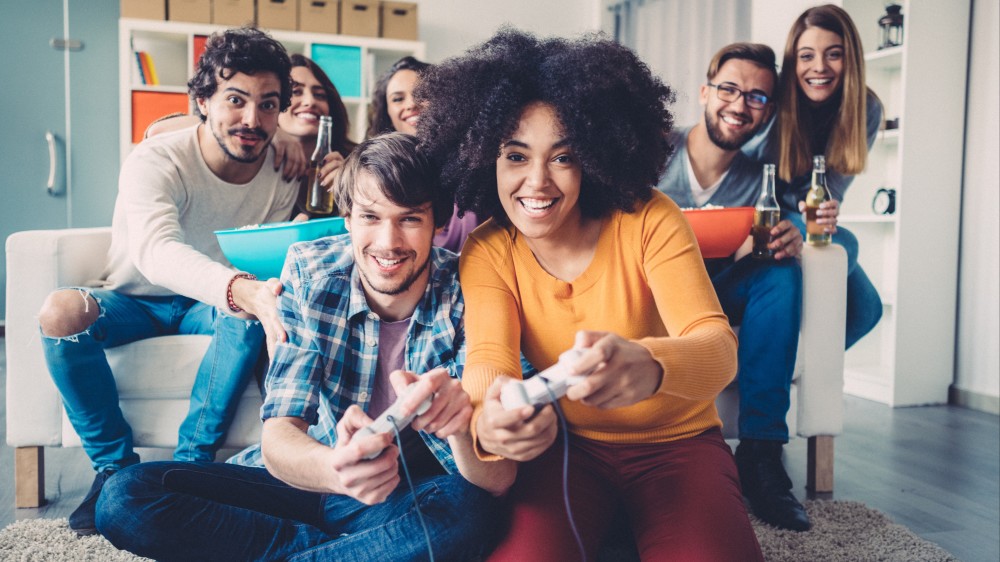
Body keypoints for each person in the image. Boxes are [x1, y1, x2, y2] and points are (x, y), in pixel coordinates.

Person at [417, 28, 764, 560]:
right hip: (566, 454)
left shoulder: (649, 218)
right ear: (484, 156)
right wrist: (492, 423)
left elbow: (717, 347)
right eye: (515, 155)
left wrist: (649, 364)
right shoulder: (488, 250)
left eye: (562, 157)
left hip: (679, 445)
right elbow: (490, 360)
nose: (537, 182)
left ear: (597, 156)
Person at [96, 133, 510, 562]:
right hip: (313, 476)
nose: (388, 242)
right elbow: (280, 436)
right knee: (124, 496)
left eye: (409, 219)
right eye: (370, 216)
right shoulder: (310, 270)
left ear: (438, 224)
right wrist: (336, 469)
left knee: (473, 512)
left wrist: (460, 428)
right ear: (346, 218)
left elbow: (495, 481)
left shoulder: (472, 289)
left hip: (406, 495)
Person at [36, 27, 298, 536]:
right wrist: (241, 287)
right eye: (235, 100)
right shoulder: (155, 159)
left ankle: (188, 466)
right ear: (203, 100)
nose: (252, 119)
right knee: (59, 312)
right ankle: (114, 467)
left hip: (212, 308)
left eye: (268, 106)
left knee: (251, 311)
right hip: (134, 298)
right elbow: (155, 251)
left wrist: (249, 296)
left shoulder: (284, 170)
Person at [657, 43, 811, 531]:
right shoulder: (652, 151)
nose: (740, 105)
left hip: (719, 291)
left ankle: (762, 454)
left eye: (757, 97)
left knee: (781, 269)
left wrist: (794, 233)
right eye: (729, 88)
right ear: (706, 91)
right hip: (651, 293)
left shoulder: (761, 179)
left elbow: (792, 221)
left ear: (768, 112)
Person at [744, 3, 883, 349]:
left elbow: (829, 191)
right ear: (794, 62)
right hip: (759, 212)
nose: (819, 67)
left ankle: (788, 369)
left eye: (833, 54)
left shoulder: (866, 109)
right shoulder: (774, 101)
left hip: (803, 217)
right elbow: (741, 167)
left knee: (867, 310)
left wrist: (820, 211)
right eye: (807, 56)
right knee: (846, 246)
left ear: (850, 58)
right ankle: (771, 368)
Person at [147, 53, 354, 219]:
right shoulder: (249, 152)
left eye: (320, 94)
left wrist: (351, 192)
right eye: (296, 92)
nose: (310, 101)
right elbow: (158, 132)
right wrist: (274, 134)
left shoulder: (351, 160)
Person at [368, 55, 480, 253]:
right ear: (388, 113)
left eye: (421, 94)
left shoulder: (476, 157)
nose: (411, 104)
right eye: (398, 99)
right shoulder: (374, 173)